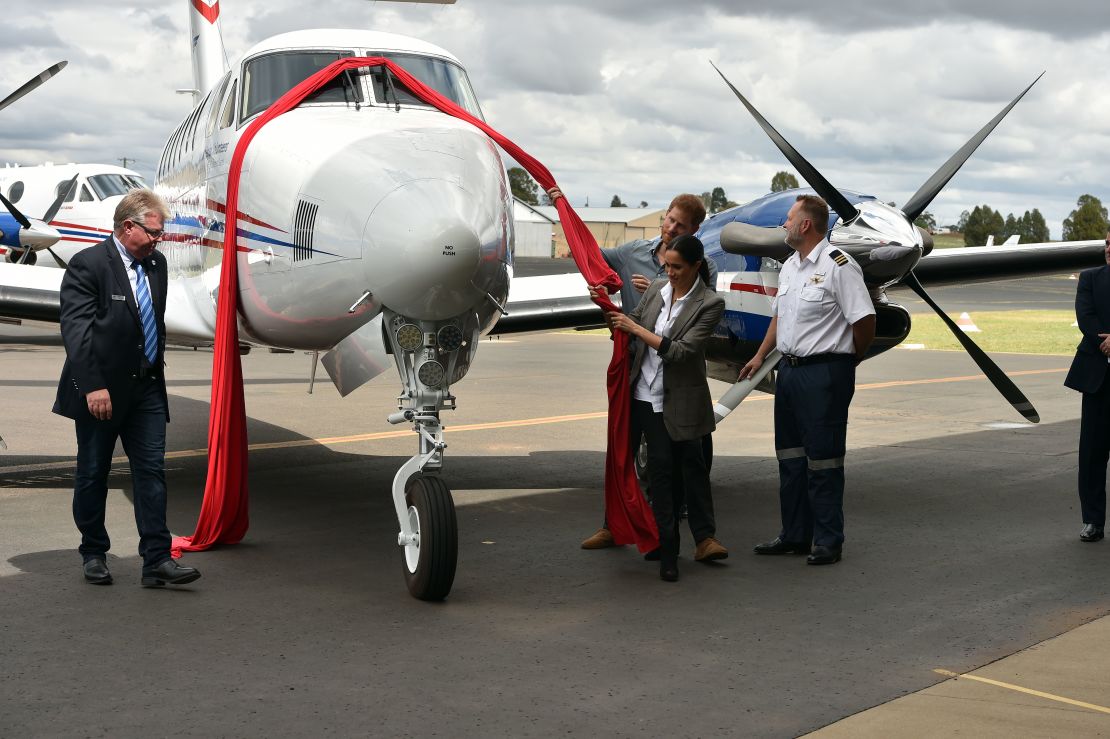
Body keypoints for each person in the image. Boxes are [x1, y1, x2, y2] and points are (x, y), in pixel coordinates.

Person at [53, 189, 201, 588]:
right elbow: (77, 331)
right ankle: (94, 552)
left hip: (147, 389)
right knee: (93, 473)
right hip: (101, 391)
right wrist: (93, 386)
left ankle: (155, 560)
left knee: (152, 472)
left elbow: (151, 321)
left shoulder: (156, 264)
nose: (159, 238)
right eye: (153, 231)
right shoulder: (89, 265)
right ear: (127, 227)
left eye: (161, 232)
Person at [739, 194, 875, 566]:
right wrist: (759, 356)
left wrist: (845, 362)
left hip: (824, 373)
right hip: (789, 372)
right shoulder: (789, 267)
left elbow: (864, 320)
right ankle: (795, 535)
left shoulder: (838, 266)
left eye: (788, 218)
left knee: (824, 461)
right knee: (791, 458)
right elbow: (779, 318)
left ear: (805, 225)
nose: (783, 224)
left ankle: (828, 540)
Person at [580, 193, 718, 549]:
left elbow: (695, 316)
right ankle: (615, 525)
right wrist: (563, 206)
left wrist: (657, 289)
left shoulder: (701, 268)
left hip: (678, 379)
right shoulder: (632, 253)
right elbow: (591, 256)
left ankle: (695, 537)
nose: (670, 228)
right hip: (635, 370)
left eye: (680, 225)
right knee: (623, 450)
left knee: (687, 457)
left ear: (695, 231)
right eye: (669, 219)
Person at [1064, 232, 1110, 543]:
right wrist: (1105, 341)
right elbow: (1086, 317)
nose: (1109, 249)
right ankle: (1092, 521)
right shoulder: (1090, 279)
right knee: (1092, 454)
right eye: (1107, 243)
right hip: (1098, 380)